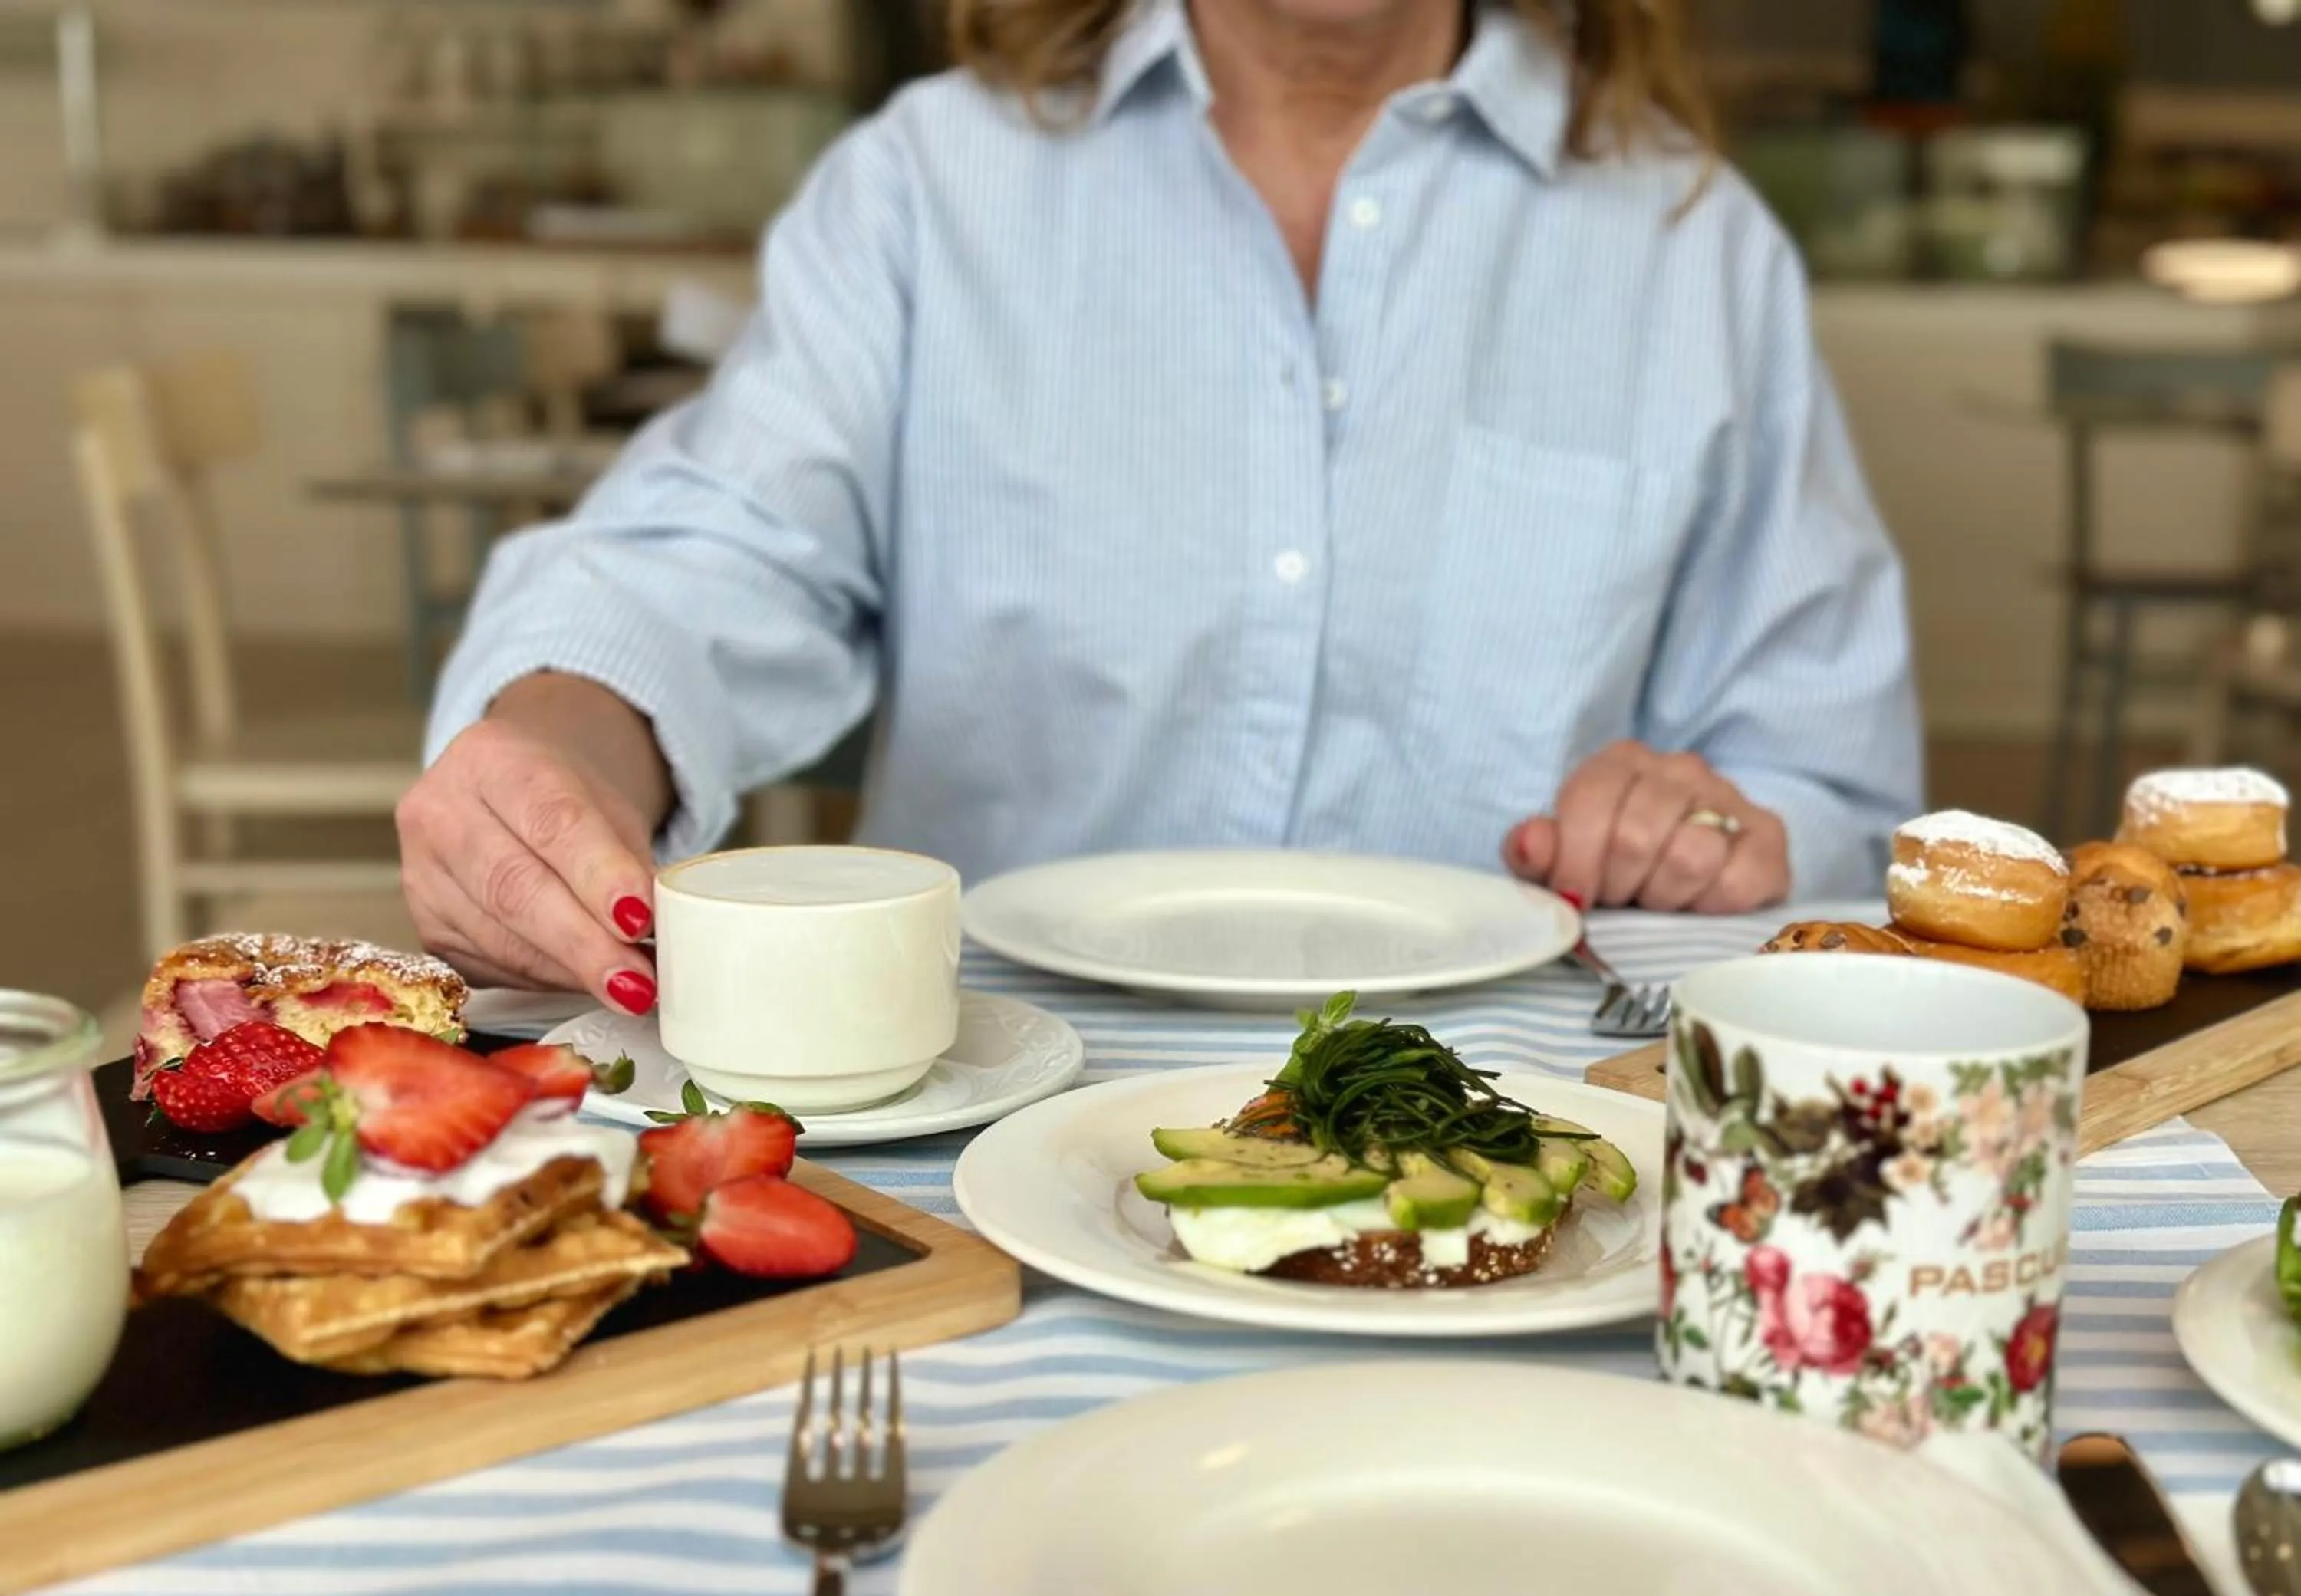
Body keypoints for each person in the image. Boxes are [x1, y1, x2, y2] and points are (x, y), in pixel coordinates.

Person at [400, 0, 1924, 1015]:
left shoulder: (1692, 244)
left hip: (1531, 1140)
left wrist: (1725, 826)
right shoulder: (933, 185)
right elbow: (719, 560)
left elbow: (1823, 779)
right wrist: (554, 747)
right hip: (976, 1120)